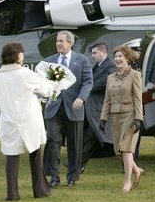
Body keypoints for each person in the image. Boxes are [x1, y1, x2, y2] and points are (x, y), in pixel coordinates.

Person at [0, 42, 55, 201]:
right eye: (22, 53)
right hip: (29, 119)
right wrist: (51, 82)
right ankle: (40, 190)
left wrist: (7, 110)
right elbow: (46, 90)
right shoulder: (25, 73)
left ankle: (12, 193)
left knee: (11, 157)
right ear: (17, 55)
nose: (23, 56)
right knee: (35, 154)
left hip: (8, 120)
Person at [43, 30, 93, 188]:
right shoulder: (49, 61)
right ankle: (54, 176)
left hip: (74, 108)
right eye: (57, 41)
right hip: (54, 108)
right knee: (52, 141)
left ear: (70, 43)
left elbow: (88, 82)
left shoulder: (82, 60)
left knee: (75, 144)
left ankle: (72, 177)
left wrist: (82, 97)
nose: (58, 43)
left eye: (61, 41)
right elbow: (45, 83)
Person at [100, 44, 144, 193]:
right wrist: (103, 118)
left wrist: (139, 118)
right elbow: (107, 99)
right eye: (116, 56)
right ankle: (137, 169)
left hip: (130, 115)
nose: (118, 59)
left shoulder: (135, 75)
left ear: (127, 58)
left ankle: (127, 182)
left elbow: (138, 98)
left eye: (121, 56)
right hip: (115, 117)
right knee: (118, 152)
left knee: (126, 149)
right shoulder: (110, 77)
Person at [81, 42, 116, 172]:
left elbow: (105, 82)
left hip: (100, 108)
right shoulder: (98, 66)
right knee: (90, 137)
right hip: (93, 108)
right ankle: (80, 164)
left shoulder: (110, 65)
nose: (92, 56)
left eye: (95, 53)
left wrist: (87, 87)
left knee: (92, 136)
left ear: (103, 52)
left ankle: (79, 164)